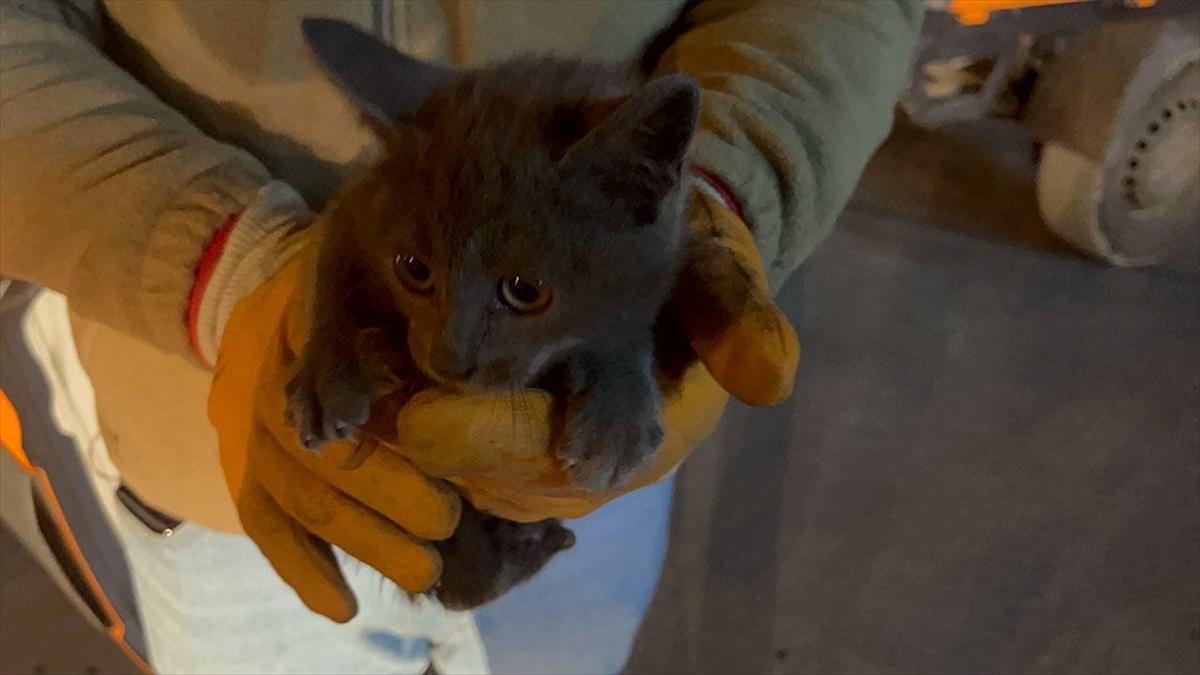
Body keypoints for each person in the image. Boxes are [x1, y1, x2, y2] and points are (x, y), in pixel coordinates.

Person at [0, 1, 923, 672]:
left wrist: (721, 184)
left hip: (571, 481)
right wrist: (226, 263)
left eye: (517, 292)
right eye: (419, 282)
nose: (449, 349)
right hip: (221, 471)